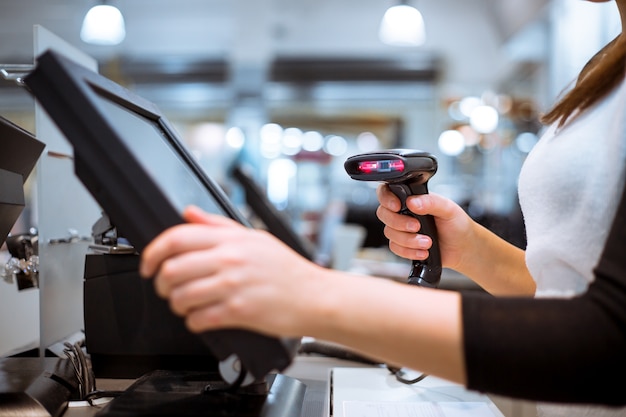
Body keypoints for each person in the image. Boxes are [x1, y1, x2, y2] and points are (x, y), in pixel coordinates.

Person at [139, 0, 626, 413]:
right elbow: (571, 290)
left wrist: (313, 293)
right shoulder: (607, 66)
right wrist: (475, 250)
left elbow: (608, 341)